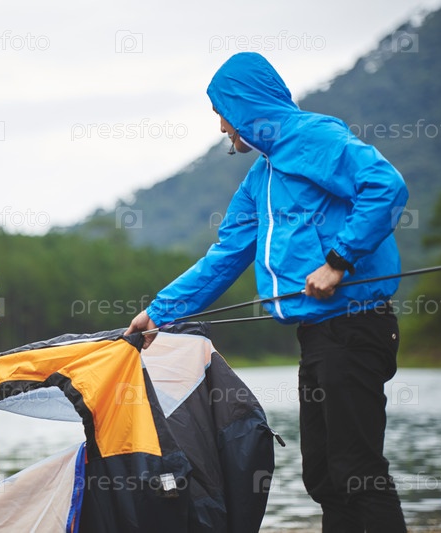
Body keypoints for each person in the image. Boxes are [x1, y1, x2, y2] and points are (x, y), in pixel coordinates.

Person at [127, 52, 409, 532]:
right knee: (323, 475)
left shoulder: (314, 137)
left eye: (221, 112)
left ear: (245, 105)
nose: (221, 126)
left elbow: (385, 185)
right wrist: (159, 312)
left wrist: (338, 261)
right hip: (318, 336)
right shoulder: (261, 178)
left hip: (356, 327)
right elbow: (225, 255)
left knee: (356, 470)